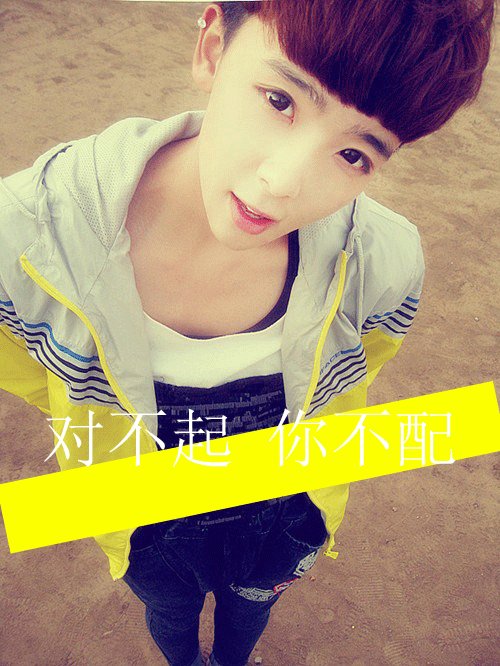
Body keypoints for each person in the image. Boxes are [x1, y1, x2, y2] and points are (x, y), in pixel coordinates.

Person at [0, 1, 494, 664]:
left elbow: (353, 373)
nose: (282, 184)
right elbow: (28, 370)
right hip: (141, 520)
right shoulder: (22, 240)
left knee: (251, 609)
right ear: (212, 49)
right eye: (279, 100)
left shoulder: (385, 262)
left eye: (352, 153)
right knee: (168, 613)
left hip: (282, 518)